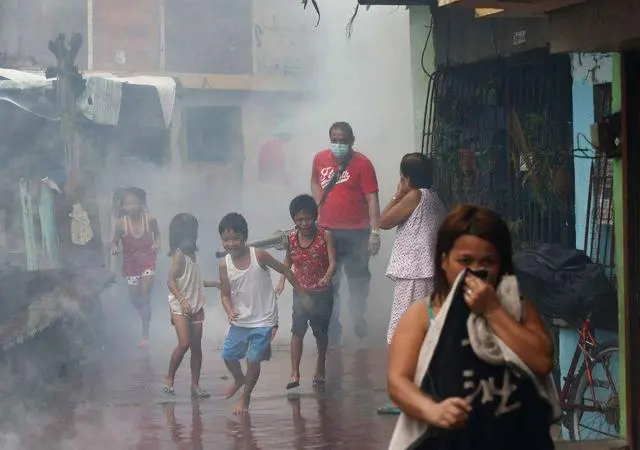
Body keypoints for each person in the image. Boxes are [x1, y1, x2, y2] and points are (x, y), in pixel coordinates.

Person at [387, 205, 556, 449]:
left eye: (488, 261)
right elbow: (398, 382)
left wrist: (492, 310)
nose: (476, 270)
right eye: (465, 261)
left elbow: (542, 361)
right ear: (444, 262)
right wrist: (433, 410)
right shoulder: (423, 315)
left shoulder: (517, 308)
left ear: (501, 264)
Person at [218, 212, 313, 414]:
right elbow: (225, 294)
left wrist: (302, 295)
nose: (231, 244)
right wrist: (229, 310)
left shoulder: (258, 255)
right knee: (228, 355)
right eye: (226, 240)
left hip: (264, 319)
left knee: (253, 359)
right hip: (240, 320)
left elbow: (286, 271)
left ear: (245, 236)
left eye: (235, 238)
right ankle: (238, 379)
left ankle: (246, 396)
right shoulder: (223, 264)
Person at [377, 153, 446, 415]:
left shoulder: (415, 196)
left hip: (413, 273)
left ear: (405, 177)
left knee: (401, 333)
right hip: (426, 273)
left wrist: (398, 193)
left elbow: (383, 222)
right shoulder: (434, 198)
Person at [310, 121, 380, 346]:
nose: (338, 145)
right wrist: (317, 204)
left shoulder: (363, 164)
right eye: (334, 140)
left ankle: (358, 313)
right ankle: (334, 327)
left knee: (359, 279)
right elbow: (314, 181)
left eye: (343, 141)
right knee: (331, 280)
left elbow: (372, 198)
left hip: (358, 231)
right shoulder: (320, 159)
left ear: (351, 141)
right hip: (328, 230)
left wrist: (375, 232)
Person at [275, 194, 337, 390]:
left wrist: (326, 277)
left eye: (308, 218)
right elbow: (287, 262)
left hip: (322, 293)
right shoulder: (291, 239)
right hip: (300, 292)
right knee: (297, 331)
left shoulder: (325, 235)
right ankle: (295, 373)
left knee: (320, 332)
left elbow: (333, 262)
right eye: (299, 219)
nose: (304, 223)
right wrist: (282, 280)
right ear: (293, 219)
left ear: (315, 217)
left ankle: (320, 366)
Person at [162, 213, 219, 399]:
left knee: (196, 346)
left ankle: (195, 385)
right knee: (184, 343)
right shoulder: (179, 255)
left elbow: (192, 279)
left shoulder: (195, 254)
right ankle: (169, 378)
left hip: (196, 305)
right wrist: (182, 300)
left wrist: (214, 284)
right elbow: (170, 281)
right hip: (180, 306)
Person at [111, 187, 160, 347]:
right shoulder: (121, 224)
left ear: (141, 203)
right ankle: (144, 311)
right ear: (123, 206)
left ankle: (145, 335)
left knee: (145, 296)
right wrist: (114, 248)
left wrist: (157, 245)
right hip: (130, 263)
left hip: (147, 259)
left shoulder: (150, 219)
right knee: (135, 298)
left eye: (134, 203)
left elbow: (157, 234)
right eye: (127, 204)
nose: (130, 207)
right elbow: (115, 241)